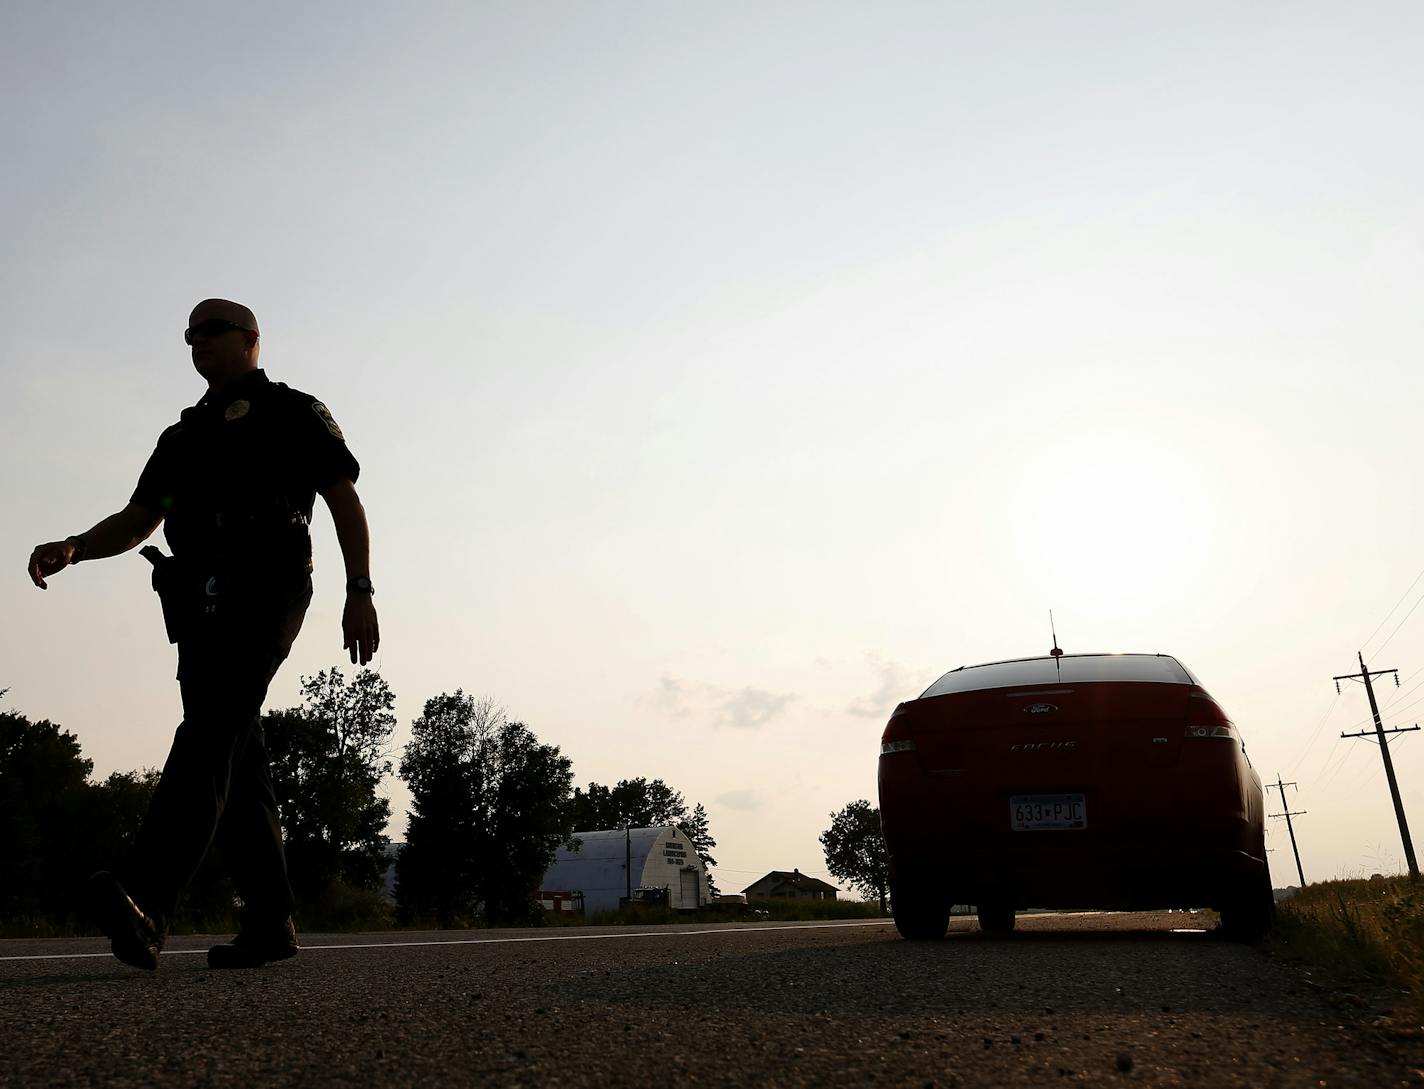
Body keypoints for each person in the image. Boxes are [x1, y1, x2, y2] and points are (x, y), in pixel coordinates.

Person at [27, 298, 379, 970]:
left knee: (210, 729)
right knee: (236, 753)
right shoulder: (182, 437)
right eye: (189, 335)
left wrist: (358, 587)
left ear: (250, 338)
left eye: (211, 330)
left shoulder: (291, 411)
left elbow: (342, 496)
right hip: (199, 605)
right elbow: (141, 518)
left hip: (269, 589)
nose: (198, 342)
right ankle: (271, 921)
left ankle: (148, 901)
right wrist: (74, 545)